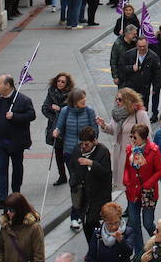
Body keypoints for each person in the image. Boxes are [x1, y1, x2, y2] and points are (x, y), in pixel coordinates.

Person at [0, 75, 36, 210]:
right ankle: (2, 198)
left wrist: (15, 116)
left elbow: (31, 115)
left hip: (16, 142)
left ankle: (16, 194)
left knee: (17, 167)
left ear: (8, 85)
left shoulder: (22, 100)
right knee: (1, 169)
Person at [53, 89, 98, 230]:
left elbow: (95, 130)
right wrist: (56, 131)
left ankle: (81, 213)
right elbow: (59, 126)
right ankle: (75, 216)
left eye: (85, 99)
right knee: (75, 182)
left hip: (86, 152)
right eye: (82, 100)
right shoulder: (66, 111)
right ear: (75, 101)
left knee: (85, 183)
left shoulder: (89, 111)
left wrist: (91, 144)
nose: (85, 102)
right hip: (70, 152)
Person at [96, 87, 151, 191]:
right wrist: (103, 125)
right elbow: (113, 130)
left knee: (132, 182)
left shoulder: (140, 114)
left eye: (120, 99)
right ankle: (130, 204)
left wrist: (145, 155)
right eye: (116, 99)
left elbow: (147, 137)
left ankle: (132, 206)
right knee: (122, 183)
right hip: (119, 153)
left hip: (133, 154)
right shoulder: (116, 114)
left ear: (128, 100)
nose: (117, 101)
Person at [123, 124, 161, 257]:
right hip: (133, 192)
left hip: (148, 193)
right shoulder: (130, 149)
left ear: (143, 138)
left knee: (147, 223)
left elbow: (160, 170)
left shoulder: (153, 150)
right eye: (131, 137)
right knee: (134, 224)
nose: (132, 140)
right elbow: (127, 168)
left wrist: (148, 183)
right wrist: (126, 180)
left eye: (135, 137)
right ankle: (140, 252)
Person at [68, 126, 113, 245]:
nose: (83, 147)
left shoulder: (103, 152)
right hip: (83, 194)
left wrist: (91, 164)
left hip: (99, 195)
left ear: (94, 141)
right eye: (82, 143)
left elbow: (106, 172)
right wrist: (73, 182)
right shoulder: (77, 150)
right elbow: (72, 167)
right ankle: (92, 249)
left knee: (95, 223)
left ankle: (100, 249)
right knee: (86, 223)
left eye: (86, 144)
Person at [42, 73, 73, 187]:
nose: (60, 83)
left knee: (69, 153)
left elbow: (72, 111)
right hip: (54, 126)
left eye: (63, 82)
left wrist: (60, 110)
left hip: (68, 128)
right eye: (58, 81)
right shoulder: (51, 92)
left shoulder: (71, 95)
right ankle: (62, 176)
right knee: (58, 152)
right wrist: (53, 113)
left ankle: (73, 175)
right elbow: (45, 108)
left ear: (67, 84)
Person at [0, 193, 44, 262]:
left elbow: (39, 256)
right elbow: (0, 249)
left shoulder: (34, 228)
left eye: (12, 210)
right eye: (6, 209)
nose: (8, 212)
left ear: (19, 210)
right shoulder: (5, 226)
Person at [118, 36, 161, 107]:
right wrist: (131, 68)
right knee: (130, 108)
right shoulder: (129, 54)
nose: (142, 48)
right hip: (131, 87)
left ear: (147, 44)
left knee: (142, 108)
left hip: (144, 88)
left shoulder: (153, 56)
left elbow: (157, 74)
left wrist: (155, 88)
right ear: (136, 45)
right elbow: (121, 68)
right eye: (140, 46)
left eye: (144, 46)